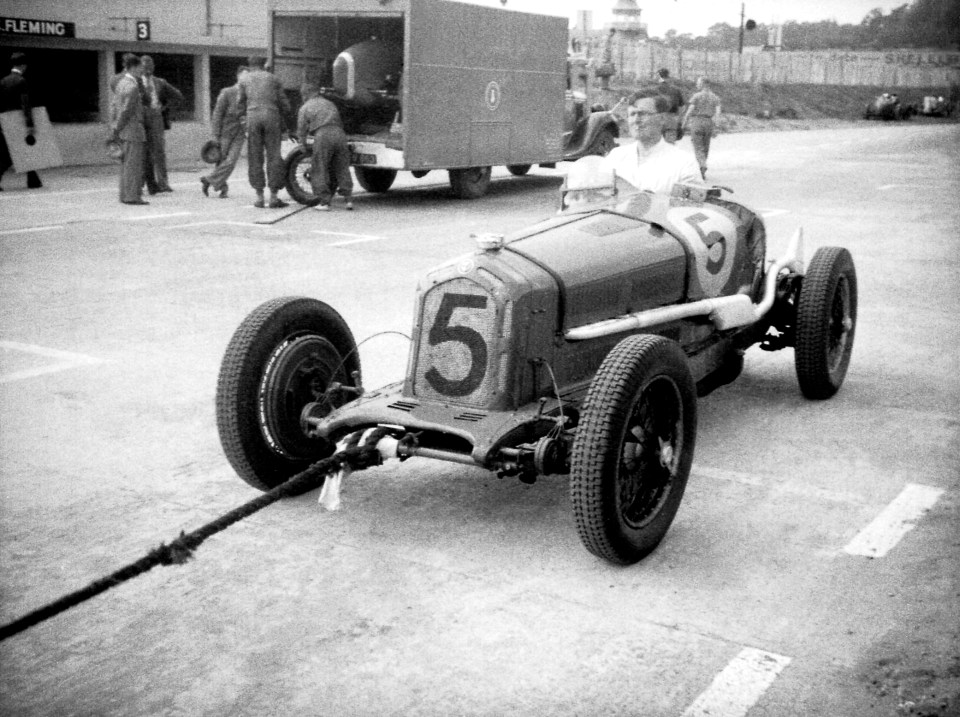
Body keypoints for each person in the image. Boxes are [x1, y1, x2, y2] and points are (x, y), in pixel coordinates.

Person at [602, 94, 701, 194]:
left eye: (643, 114)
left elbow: (692, 207)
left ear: (662, 118)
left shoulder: (684, 163)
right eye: (632, 114)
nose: (636, 120)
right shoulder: (615, 157)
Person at [238, 55, 291, 208]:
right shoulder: (273, 79)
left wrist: (243, 120)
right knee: (274, 155)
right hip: (271, 116)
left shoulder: (244, 80)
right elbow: (284, 103)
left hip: (252, 117)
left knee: (255, 156)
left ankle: (259, 196)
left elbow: (240, 103)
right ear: (264, 65)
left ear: (250, 65)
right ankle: (274, 196)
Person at [296, 83, 353, 211]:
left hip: (323, 135)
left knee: (319, 167)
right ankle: (349, 200)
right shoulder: (329, 103)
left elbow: (301, 129)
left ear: (306, 94)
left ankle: (324, 202)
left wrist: (302, 144)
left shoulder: (305, 107)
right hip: (340, 134)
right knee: (342, 167)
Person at [201, 65, 248, 199]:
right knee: (221, 160)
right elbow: (217, 114)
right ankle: (223, 188)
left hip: (240, 133)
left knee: (231, 161)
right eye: (243, 75)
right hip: (225, 131)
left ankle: (208, 179)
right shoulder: (227, 92)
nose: (245, 79)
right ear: (238, 76)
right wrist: (215, 135)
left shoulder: (249, 95)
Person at [0, 52, 43, 191]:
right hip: (18, 120)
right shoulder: (21, 81)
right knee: (15, 152)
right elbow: (25, 103)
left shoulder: (3, 81)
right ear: (23, 66)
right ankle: (33, 180)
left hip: (6, 120)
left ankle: (33, 179)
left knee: (15, 150)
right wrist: (29, 123)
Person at [140, 55, 183, 193]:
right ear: (140, 67)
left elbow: (178, 95)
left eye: (150, 66)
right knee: (142, 152)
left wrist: (165, 108)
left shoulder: (160, 82)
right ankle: (141, 184)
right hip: (140, 119)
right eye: (145, 66)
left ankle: (163, 183)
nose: (148, 69)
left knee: (159, 151)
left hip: (156, 117)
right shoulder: (135, 82)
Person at [110, 54, 148, 205]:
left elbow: (114, 107)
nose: (142, 71)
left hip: (124, 130)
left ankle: (125, 194)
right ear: (133, 67)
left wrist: (115, 127)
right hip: (133, 129)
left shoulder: (121, 84)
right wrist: (117, 128)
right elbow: (127, 111)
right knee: (134, 165)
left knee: (126, 165)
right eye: (140, 67)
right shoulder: (132, 87)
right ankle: (132, 196)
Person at [682, 76, 722, 180]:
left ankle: (702, 165)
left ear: (704, 84)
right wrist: (716, 126)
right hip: (709, 122)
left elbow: (690, 110)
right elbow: (717, 113)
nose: (697, 84)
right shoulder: (715, 97)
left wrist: (684, 122)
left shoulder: (696, 96)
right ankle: (703, 166)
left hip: (697, 122)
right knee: (705, 146)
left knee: (698, 146)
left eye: (698, 83)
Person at [655, 68, 685, 144]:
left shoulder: (654, 90)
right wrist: (678, 120)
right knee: (670, 146)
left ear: (659, 76)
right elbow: (682, 107)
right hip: (671, 118)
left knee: (656, 145)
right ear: (668, 76)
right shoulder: (676, 90)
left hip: (657, 118)